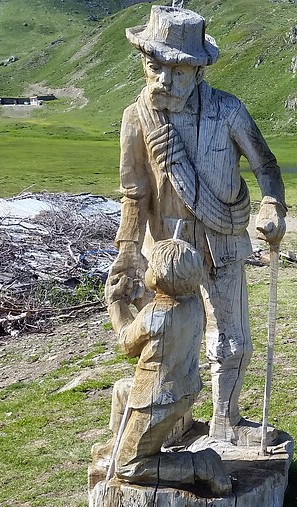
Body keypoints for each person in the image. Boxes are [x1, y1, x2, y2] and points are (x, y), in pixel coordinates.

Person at [106, 5, 286, 444]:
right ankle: (168, 424)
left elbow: (266, 165)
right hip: (165, 248)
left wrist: (271, 205)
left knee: (232, 337)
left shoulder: (228, 111)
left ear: (199, 71)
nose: (164, 80)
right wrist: (128, 252)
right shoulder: (138, 117)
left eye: (177, 70)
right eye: (155, 67)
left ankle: (226, 419)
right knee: (167, 343)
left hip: (223, 238)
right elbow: (135, 192)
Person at [102, 238, 231, 496]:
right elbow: (161, 329)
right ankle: (119, 445)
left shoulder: (155, 314)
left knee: (129, 467)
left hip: (156, 398)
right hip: (181, 389)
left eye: (150, 267)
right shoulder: (194, 305)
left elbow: (128, 343)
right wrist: (141, 301)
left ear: (159, 275)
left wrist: (115, 304)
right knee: (121, 389)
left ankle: (199, 465)